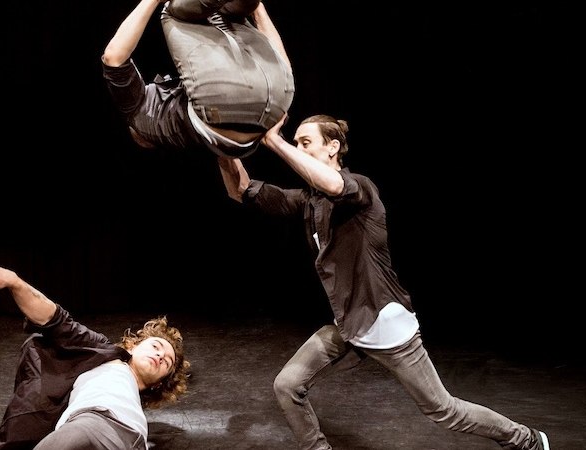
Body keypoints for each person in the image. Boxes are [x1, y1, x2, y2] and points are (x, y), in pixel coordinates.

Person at [216, 114, 551, 450]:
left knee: (443, 410)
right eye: (297, 143)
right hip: (349, 325)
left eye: (306, 143)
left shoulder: (360, 188)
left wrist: (274, 141)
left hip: (385, 324)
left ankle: (526, 439)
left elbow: (333, 185)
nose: (298, 149)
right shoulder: (309, 201)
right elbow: (241, 189)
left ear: (333, 147)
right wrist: (222, 145)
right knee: (288, 385)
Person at [0, 263, 190, 450]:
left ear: (158, 383)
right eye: (156, 346)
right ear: (132, 345)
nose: (160, 356)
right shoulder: (103, 354)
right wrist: (16, 283)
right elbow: (56, 320)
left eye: (166, 362)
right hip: (91, 425)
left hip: (132, 440)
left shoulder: (133, 401)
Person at [102, 0, 294, 159]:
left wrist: (257, 8)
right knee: (172, 11)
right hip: (226, 105)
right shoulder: (138, 117)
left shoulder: (197, 139)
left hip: (281, 96)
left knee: (228, 18)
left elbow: (281, 67)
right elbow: (113, 58)